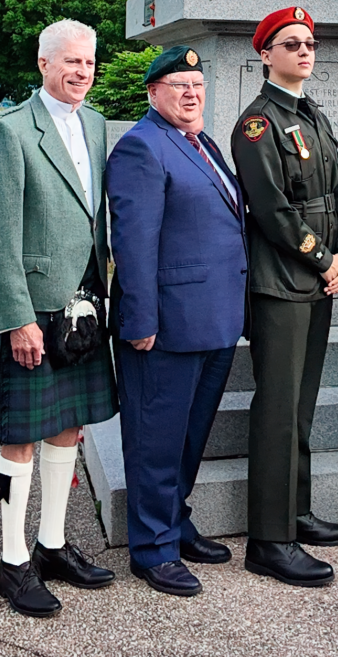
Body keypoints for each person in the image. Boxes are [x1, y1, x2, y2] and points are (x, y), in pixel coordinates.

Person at [0, 20, 116, 618]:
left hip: (83, 303)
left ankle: (52, 545)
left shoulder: (96, 123)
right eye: (70, 62)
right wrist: (15, 319)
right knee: (21, 437)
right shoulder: (10, 132)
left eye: (88, 63)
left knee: (70, 427)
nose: (81, 72)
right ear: (43, 63)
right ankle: (13, 563)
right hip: (34, 309)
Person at [106, 46, 248, 597]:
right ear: (153, 94)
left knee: (189, 439)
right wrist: (140, 320)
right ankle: (152, 549)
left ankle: (175, 522)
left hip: (213, 320)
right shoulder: (142, 147)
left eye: (198, 84)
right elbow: (134, 244)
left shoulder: (201, 143)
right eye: (178, 86)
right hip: (165, 327)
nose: (191, 94)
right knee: (156, 441)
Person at [231, 7, 338, 587]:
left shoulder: (314, 117)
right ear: (266, 55)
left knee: (301, 406)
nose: (305, 51)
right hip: (282, 281)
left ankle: (295, 512)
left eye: (310, 43)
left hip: (320, 277)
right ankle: (269, 540)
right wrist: (325, 258)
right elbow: (275, 212)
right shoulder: (258, 124)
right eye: (291, 44)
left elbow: (336, 192)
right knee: (278, 409)